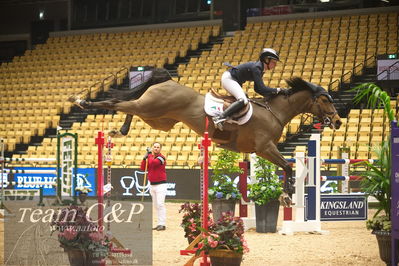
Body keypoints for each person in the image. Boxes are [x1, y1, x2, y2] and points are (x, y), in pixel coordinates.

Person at [212, 48, 290, 130]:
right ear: (266, 60)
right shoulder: (257, 68)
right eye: (273, 62)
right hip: (229, 79)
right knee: (243, 100)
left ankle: (231, 118)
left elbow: (258, 89)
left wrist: (273, 95)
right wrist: (278, 90)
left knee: (245, 98)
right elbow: (262, 88)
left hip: (234, 80)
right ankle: (219, 117)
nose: (275, 65)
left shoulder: (260, 69)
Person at [140, 142, 167, 231]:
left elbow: (153, 163)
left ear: (160, 149)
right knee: (156, 205)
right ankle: (159, 223)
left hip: (161, 185)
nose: (156, 148)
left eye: (158, 147)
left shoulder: (161, 158)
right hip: (152, 184)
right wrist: (144, 158)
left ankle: (162, 224)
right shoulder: (150, 158)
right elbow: (143, 168)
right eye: (154, 147)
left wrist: (149, 155)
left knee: (160, 204)